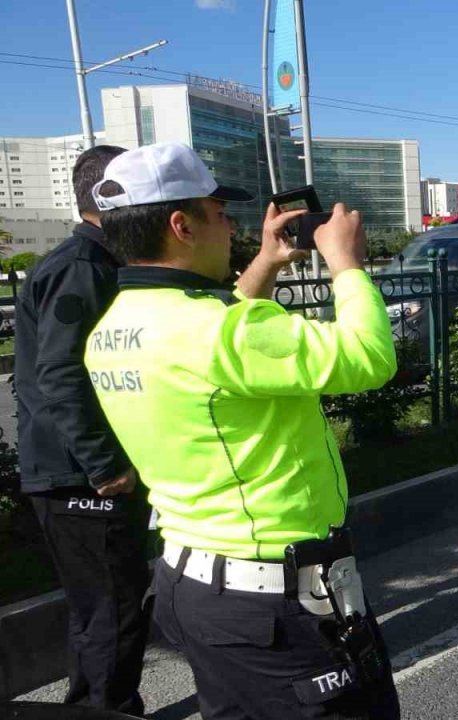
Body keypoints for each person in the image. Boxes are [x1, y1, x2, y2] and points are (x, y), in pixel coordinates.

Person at [83, 143, 401, 719]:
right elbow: (368, 356)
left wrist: (269, 261)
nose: (231, 226)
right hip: (274, 602)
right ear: (181, 225)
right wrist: (347, 264)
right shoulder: (219, 334)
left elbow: (219, 338)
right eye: (219, 212)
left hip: (198, 585)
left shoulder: (117, 326)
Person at [13, 144, 150, 716]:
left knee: (99, 609)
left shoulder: (99, 261)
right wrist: (103, 463)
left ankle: (96, 704)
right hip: (79, 477)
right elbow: (60, 372)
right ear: (108, 197)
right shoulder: (81, 267)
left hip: (77, 472)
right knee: (112, 610)